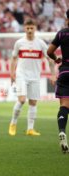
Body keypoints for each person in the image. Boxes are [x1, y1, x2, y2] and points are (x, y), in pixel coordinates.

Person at [8, 19, 56, 136]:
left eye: (32, 28)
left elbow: (50, 59)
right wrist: (12, 73)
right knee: (22, 100)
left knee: (33, 102)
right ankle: (13, 123)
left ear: (35, 28)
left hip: (35, 76)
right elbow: (14, 58)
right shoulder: (19, 43)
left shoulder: (41, 43)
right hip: (21, 75)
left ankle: (30, 129)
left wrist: (53, 75)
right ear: (24, 28)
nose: (29, 30)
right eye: (28, 28)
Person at [47, 9, 69, 153]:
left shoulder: (62, 33)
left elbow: (49, 52)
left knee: (64, 105)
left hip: (65, 71)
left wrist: (57, 59)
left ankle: (62, 131)